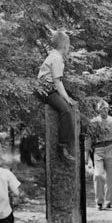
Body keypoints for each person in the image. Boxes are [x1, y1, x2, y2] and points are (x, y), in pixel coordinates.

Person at [36, 30, 75, 161]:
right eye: (68, 45)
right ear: (65, 45)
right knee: (66, 110)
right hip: (47, 91)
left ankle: (65, 144)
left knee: (67, 106)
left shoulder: (53, 56)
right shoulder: (57, 58)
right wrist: (65, 98)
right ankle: (62, 146)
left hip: (48, 89)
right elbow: (57, 82)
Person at [86, 99, 112, 210]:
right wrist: (86, 154)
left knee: (110, 176)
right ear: (98, 110)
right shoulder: (93, 122)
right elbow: (88, 139)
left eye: (107, 109)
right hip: (98, 149)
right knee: (98, 175)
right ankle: (99, 201)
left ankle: (108, 200)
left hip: (111, 147)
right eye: (102, 109)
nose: (105, 111)